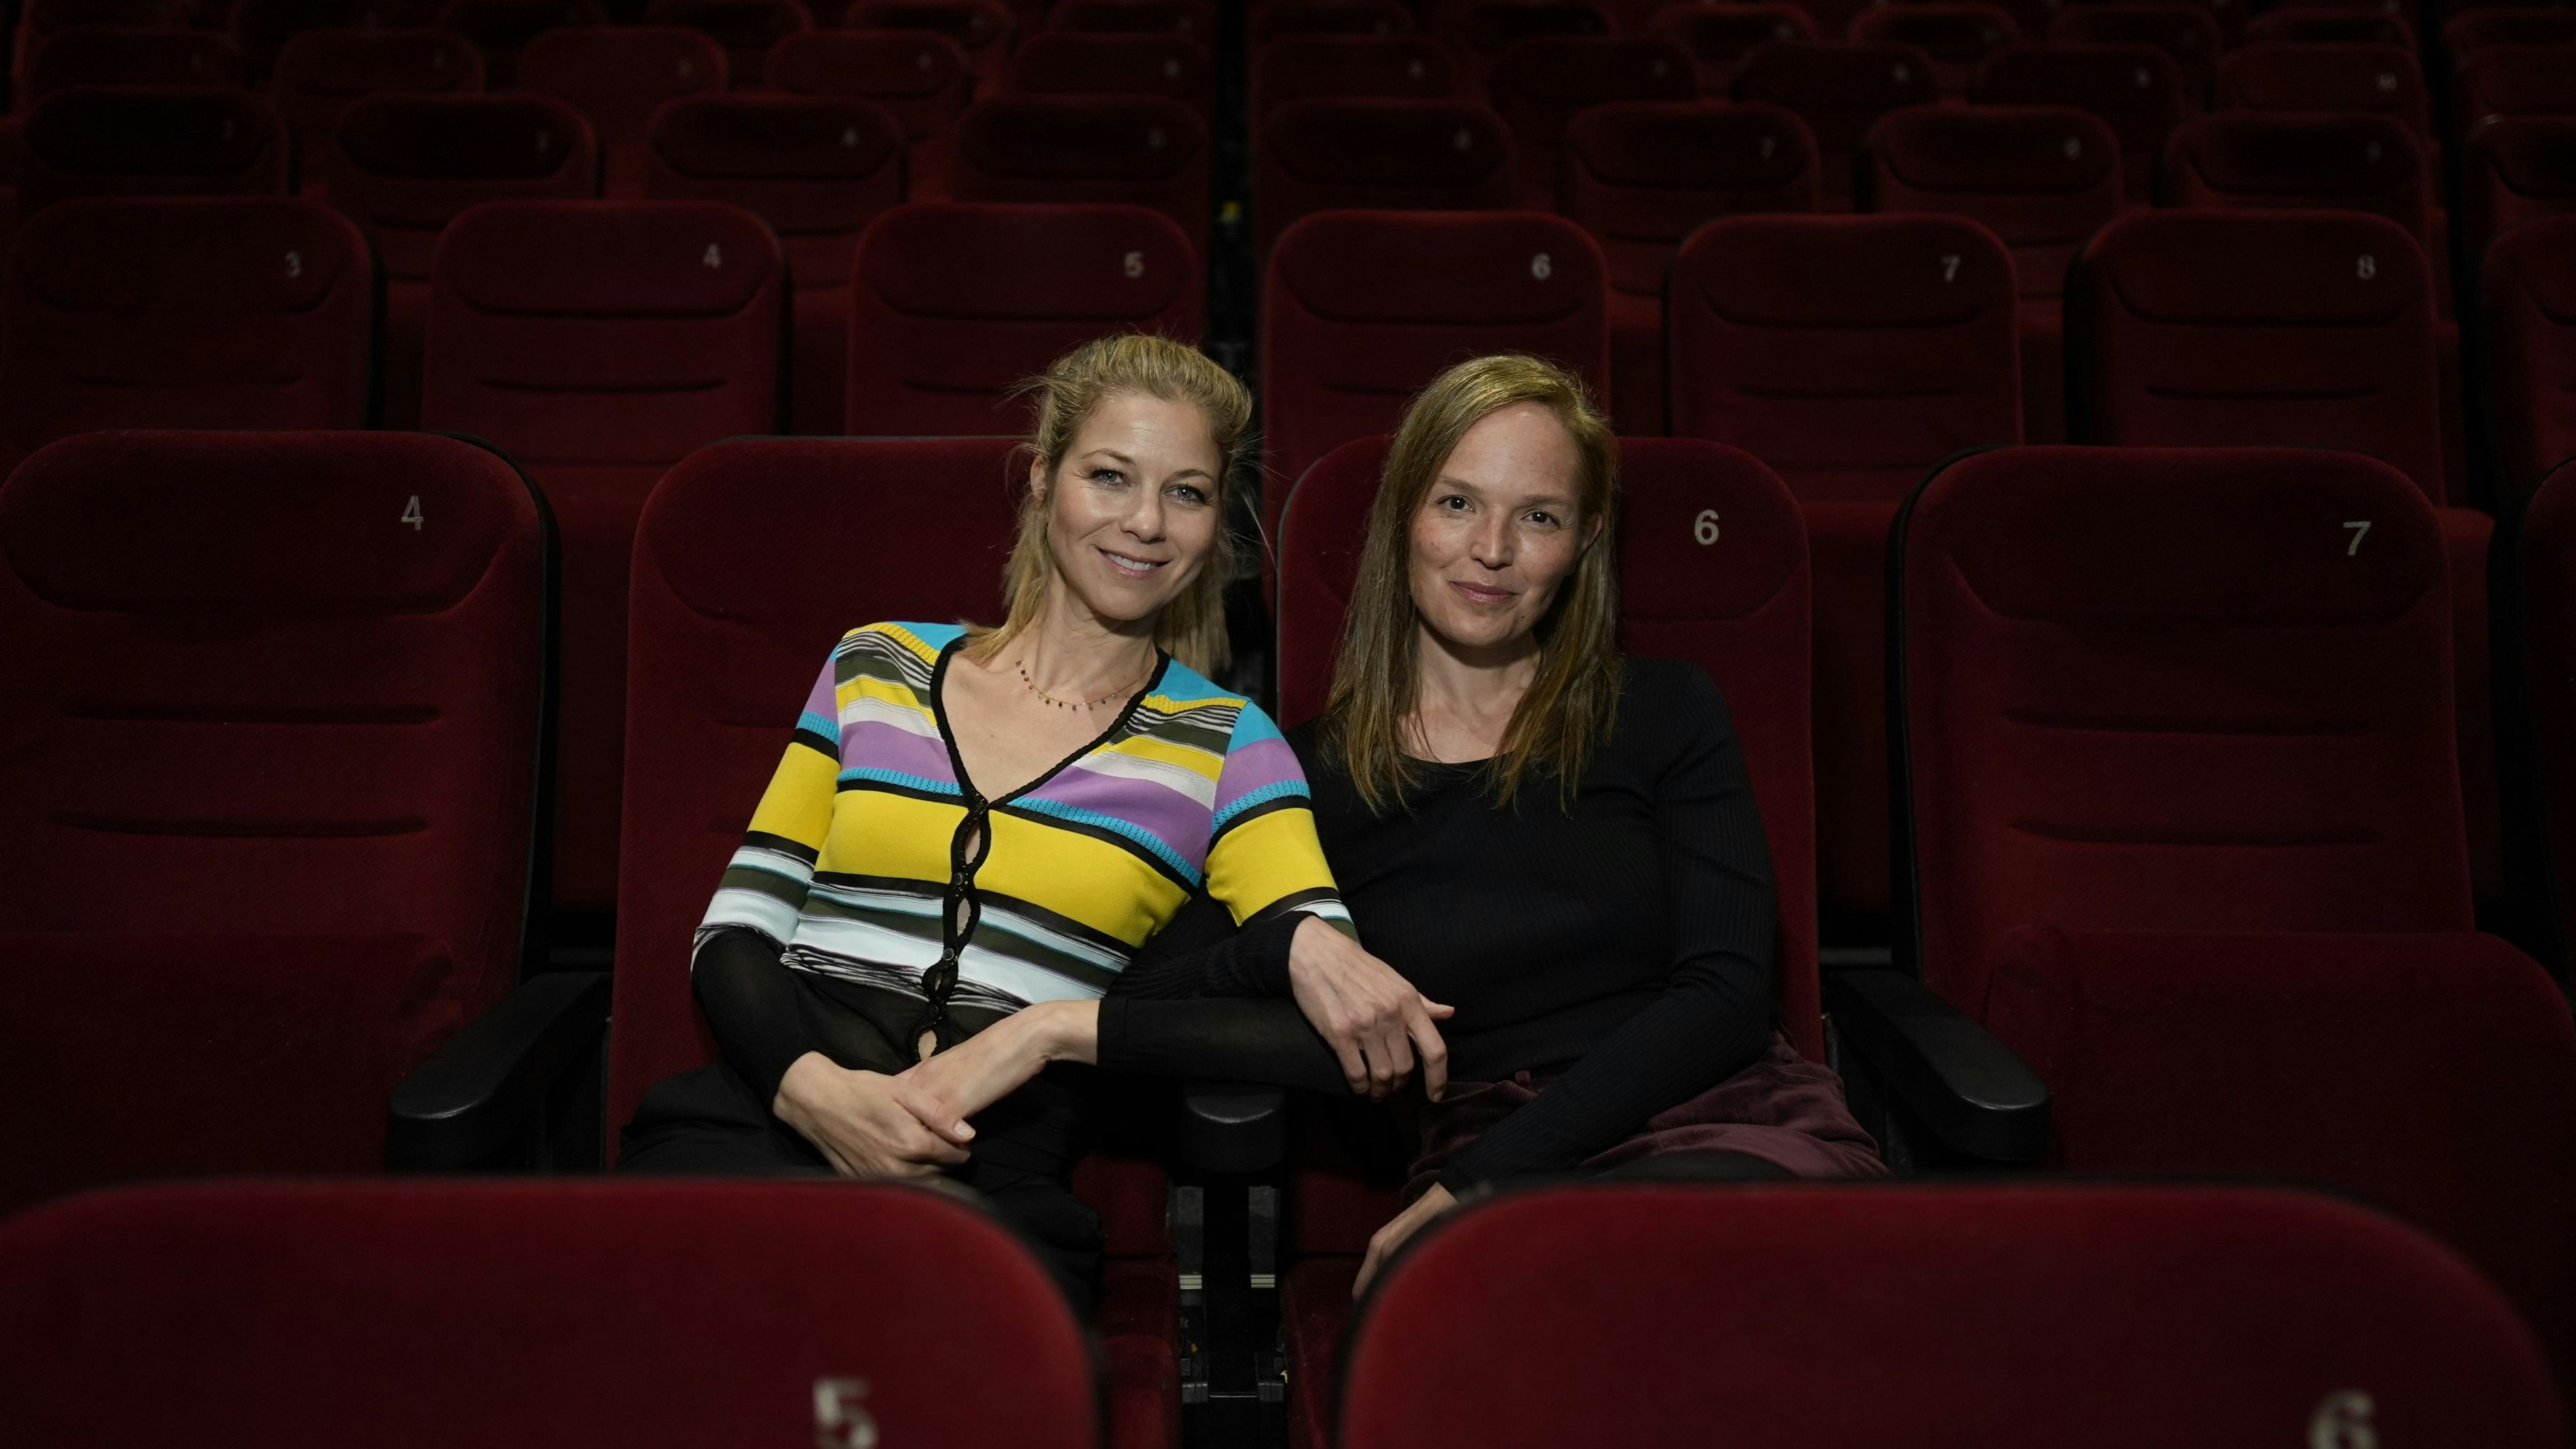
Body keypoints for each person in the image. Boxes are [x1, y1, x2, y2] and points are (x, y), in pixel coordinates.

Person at [900, 353, 1886, 1297]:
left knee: (1662, 1280)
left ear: (1584, 542)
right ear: (1404, 517)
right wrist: (1289, 946)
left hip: (1726, 1126)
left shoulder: (1668, 712)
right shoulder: (1302, 772)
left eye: (1536, 516)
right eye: (1458, 503)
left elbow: (1724, 995)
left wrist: (1482, 1182)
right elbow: (1160, 981)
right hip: (1488, 1156)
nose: (1491, 550)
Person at [618, 334, 1446, 1313]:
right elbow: (737, 932)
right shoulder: (875, 664)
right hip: (758, 1124)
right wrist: (815, 1094)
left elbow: (1334, 1037)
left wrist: (1051, 1031)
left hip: (992, 1185)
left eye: (1186, 492)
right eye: (1110, 476)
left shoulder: (1228, 743)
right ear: (1044, 479)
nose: (1145, 522)